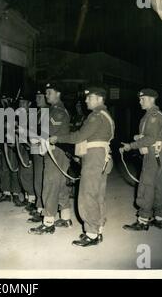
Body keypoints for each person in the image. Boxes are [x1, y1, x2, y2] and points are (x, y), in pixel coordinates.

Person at [49, 87, 115, 247]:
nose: (86, 101)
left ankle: (91, 234)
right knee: (97, 194)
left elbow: (79, 136)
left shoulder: (96, 116)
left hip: (94, 158)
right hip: (100, 156)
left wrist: (58, 138)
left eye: (89, 98)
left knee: (87, 194)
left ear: (99, 99)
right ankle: (97, 230)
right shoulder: (106, 115)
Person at [122, 88, 162, 231]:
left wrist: (131, 146)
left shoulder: (153, 116)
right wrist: (140, 138)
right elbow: (151, 136)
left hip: (153, 155)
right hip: (159, 153)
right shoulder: (155, 115)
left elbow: (150, 138)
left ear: (151, 99)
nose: (140, 101)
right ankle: (160, 219)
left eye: (142, 99)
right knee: (158, 186)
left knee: (146, 186)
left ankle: (143, 221)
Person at [29, 83, 71, 235]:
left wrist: (37, 138)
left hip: (56, 152)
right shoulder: (53, 110)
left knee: (50, 185)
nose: (46, 95)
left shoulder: (57, 111)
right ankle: (66, 218)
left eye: (49, 92)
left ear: (58, 93)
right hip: (57, 152)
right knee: (59, 186)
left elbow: (50, 132)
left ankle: (48, 223)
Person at [28, 90, 48, 222]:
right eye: (36, 96)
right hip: (35, 146)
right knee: (36, 177)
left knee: (41, 179)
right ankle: (39, 205)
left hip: (43, 148)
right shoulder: (39, 112)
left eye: (40, 96)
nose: (37, 98)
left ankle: (42, 209)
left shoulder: (48, 112)